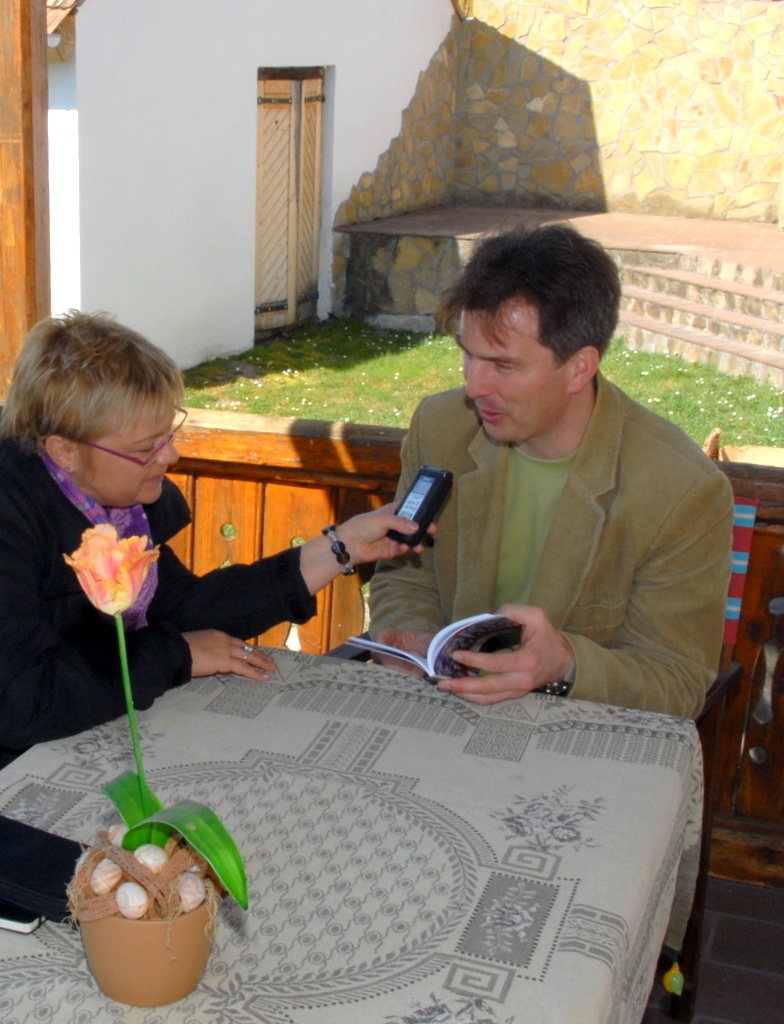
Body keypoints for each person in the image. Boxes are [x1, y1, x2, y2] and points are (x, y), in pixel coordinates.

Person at [0, 311, 431, 769]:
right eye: (146, 448)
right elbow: (20, 701)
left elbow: (183, 610)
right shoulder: (12, 518)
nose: (171, 455)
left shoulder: (120, 511)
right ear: (64, 451)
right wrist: (177, 655)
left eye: (169, 433)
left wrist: (340, 547)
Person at [369, 222, 734, 717]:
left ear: (580, 367)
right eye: (468, 355)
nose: (474, 386)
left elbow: (677, 681)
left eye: (503, 365)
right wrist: (411, 637)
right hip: (442, 714)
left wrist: (566, 664)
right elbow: (406, 576)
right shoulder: (440, 426)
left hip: (579, 737)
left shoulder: (680, 489)